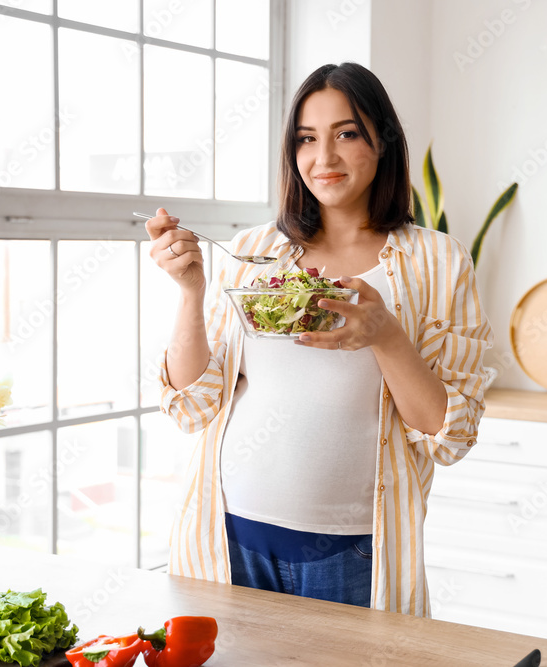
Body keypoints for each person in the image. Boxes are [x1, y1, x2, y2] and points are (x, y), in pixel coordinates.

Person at [145, 62, 493, 617]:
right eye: (306, 139)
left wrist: (387, 337)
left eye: (347, 134)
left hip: (355, 552)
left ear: (385, 142)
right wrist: (190, 290)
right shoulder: (255, 251)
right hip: (228, 534)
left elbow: (448, 435)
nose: (323, 158)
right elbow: (193, 402)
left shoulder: (438, 261)